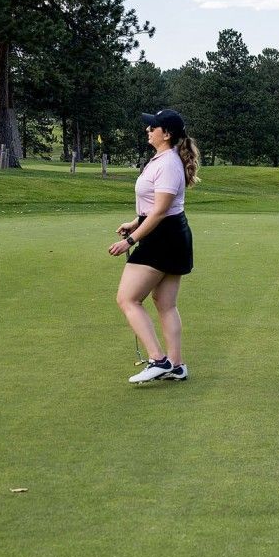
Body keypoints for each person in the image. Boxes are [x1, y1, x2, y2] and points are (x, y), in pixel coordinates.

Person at [109, 109, 200, 383]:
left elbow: (160, 212)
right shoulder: (162, 159)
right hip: (168, 234)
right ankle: (176, 365)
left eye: (154, 127)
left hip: (163, 238)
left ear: (167, 134)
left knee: (127, 299)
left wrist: (129, 241)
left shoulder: (169, 163)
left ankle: (159, 360)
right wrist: (136, 222)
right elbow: (155, 207)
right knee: (164, 303)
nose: (148, 130)